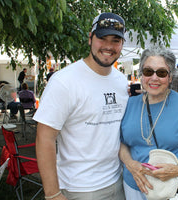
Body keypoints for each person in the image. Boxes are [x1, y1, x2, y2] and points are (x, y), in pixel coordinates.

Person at [33, 12, 129, 200]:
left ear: (122, 44)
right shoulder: (64, 81)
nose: (109, 46)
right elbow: (44, 137)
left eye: (116, 40)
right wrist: (52, 194)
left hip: (118, 181)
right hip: (79, 188)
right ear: (90, 38)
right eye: (102, 38)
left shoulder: (120, 80)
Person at [119, 46, 178, 200]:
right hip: (133, 185)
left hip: (168, 188)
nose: (154, 78)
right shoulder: (129, 104)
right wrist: (130, 164)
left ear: (170, 77)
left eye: (162, 73)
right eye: (148, 71)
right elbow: (122, 143)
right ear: (141, 75)